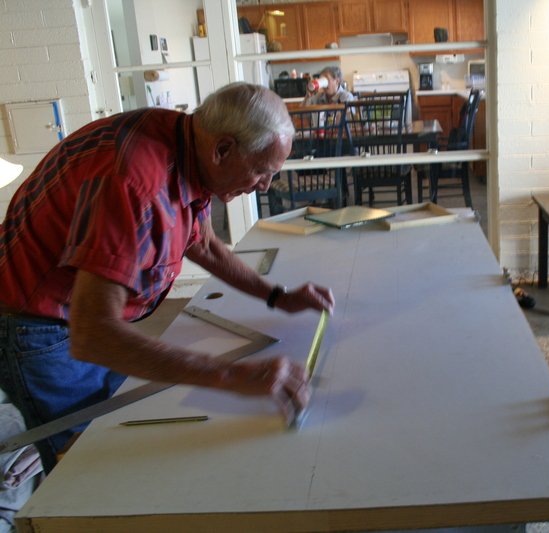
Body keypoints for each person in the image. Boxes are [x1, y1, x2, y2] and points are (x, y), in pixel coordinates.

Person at [0, 82, 334, 472]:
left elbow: (202, 242)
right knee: (83, 462)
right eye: (261, 171)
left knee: (113, 425)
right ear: (223, 149)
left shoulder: (188, 142)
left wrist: (277, 296)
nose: (264, 185)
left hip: (77, 314)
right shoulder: (136, 182)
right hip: (37, 325)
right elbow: (94, 335)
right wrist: (233, 375)